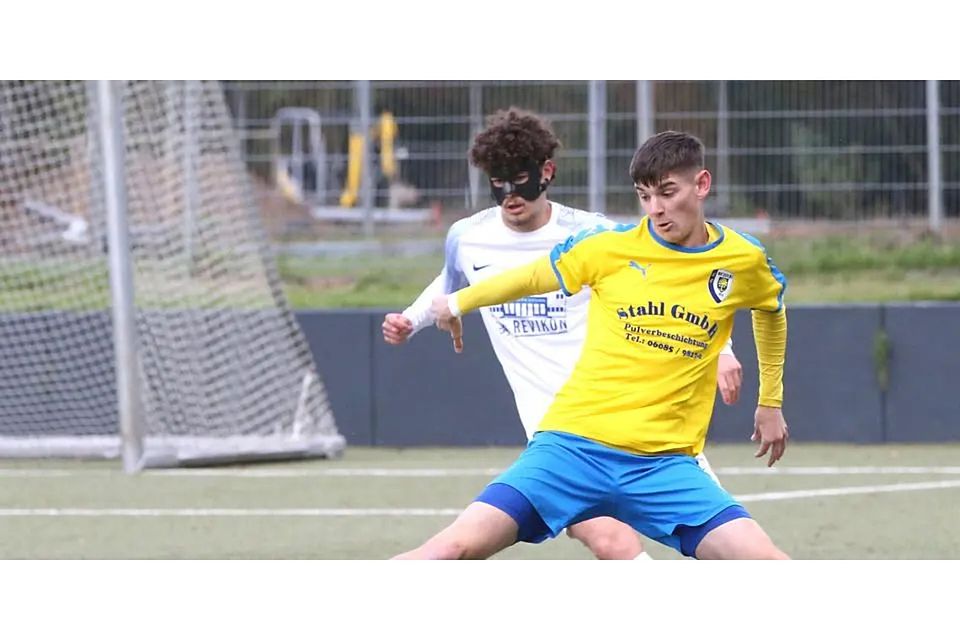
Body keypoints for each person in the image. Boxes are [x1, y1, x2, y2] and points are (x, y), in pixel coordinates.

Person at [394, 130, 790, 560]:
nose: (655, 209)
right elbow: (529, 277)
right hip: (571, 449)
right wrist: (455, 302)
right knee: (447, 550)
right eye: (644, 196)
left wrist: (769, 402)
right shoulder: (607, 248)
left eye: (667, 193)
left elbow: (769, 310)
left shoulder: (742, 259)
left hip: (664, 466)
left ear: (702, 185)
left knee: (768, 565)